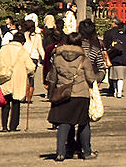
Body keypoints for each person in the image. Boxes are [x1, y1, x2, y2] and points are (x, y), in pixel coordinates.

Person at [47, 32, 100, 161]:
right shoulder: (84, 59)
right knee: (83, 123)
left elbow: (52, 78)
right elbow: (91, 78)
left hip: (63, 93)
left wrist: (51, 93)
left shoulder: (57, 57)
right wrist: (101, 75)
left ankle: (61, 152)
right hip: (81, 94)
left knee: (64, 123)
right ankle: (86, 152)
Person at [0, 30, 35, 132]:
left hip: (5, 78)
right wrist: (30, 74)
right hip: (18, 79)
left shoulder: (4, 49)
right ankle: (13, 125)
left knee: (5, 103)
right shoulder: (22, 51)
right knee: (16, 103)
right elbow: (30, 67)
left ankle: (4, 126)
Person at [104, 18, 126, 98]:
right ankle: (119, 92)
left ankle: (114, 90)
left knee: (113, 77)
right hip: (123, 59)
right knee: (120, 78)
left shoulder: (110, 34)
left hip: (113, 57)